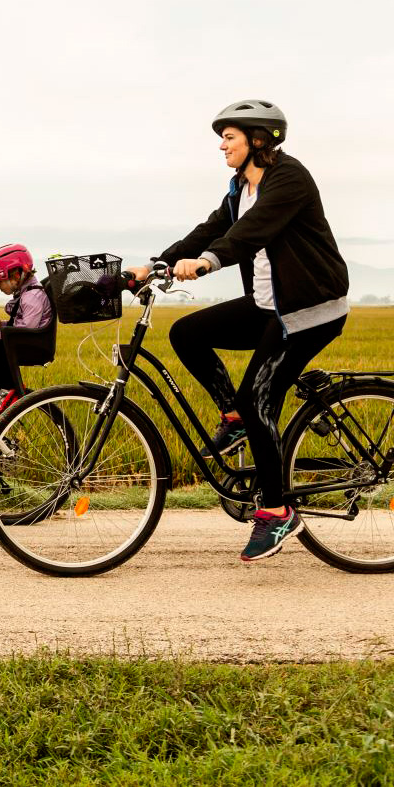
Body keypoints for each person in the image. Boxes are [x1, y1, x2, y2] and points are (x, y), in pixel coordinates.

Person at [125, 99, 349, 562]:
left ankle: (277, 510)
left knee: (259, 398)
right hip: (270, 306)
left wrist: (208, 263)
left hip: (308, 309)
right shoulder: (238, 189)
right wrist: (155, 265)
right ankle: (235, 415)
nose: (222, 146)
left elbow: (250, 234)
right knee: (187, 334)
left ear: (259, 140)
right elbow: (208, 231)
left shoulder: (288, 178)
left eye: (229, 137)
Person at [0, 243, 55, 413]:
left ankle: (8, 389)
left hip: (34, 345)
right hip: (24, 341)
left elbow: (28, 330)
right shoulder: (25, 294)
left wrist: (1, 334)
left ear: (16, 275)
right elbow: (20, 324)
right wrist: (0, 325)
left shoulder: (32, 296)